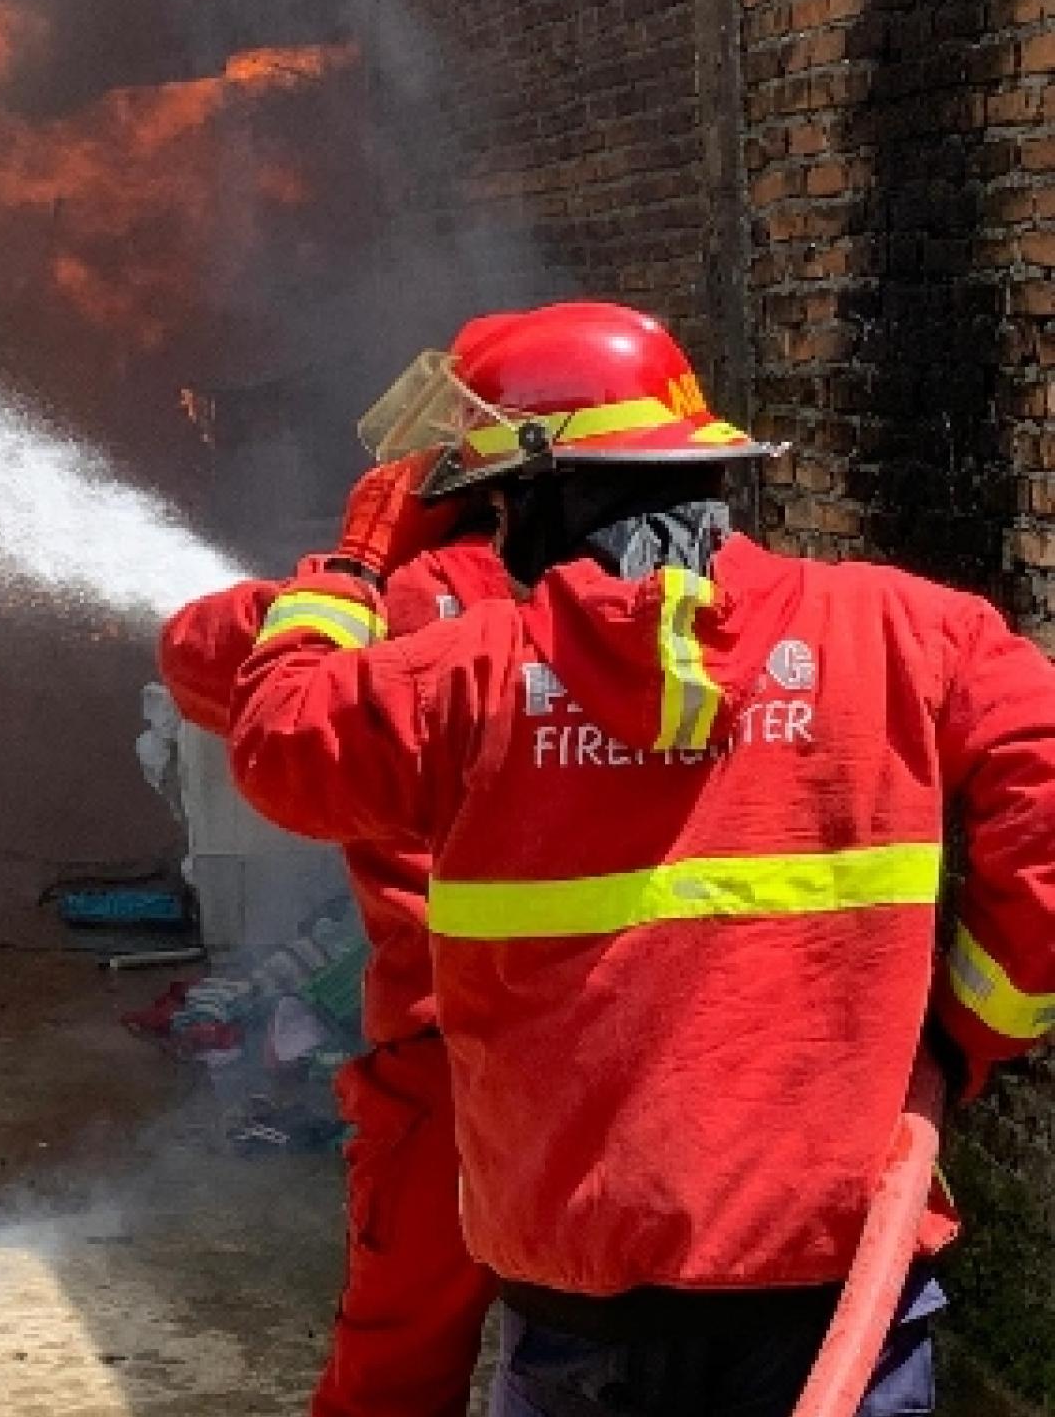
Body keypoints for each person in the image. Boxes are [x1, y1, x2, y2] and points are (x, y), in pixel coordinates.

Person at [229, 301, 1055, 1416]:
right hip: (833, 1274)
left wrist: (351, 564)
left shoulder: (465, 675)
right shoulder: (913, 633)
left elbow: (282, 740)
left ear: (551, 489)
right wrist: (967, 1035)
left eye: (497, 498)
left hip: (581, 1293)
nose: (490, 527)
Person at [162, 527, 506, 1417]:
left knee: (398, 1364)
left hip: (446, 1061)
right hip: (629, 1041)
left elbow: (200, 656)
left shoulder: (396, 606)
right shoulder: (667, 614)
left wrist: (348, 565)